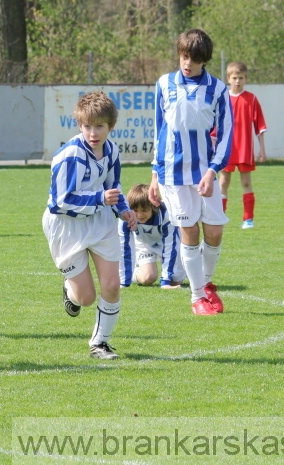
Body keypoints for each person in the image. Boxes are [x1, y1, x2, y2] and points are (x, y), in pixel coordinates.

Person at [42, 91, 136, 360]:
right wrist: (99, 198)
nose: (93, 132)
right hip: (66, 226)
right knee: (85, 298)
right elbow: (58, 203)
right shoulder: (71, 156)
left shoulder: (112, 150)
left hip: (100, 220)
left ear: (110, 126)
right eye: (87, 126)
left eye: (99, 126)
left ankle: (100, 344)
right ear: (79, 125)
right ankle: (71, 291)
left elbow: (113, 186)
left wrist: (125, 210)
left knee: (112, 284)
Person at [149, 28, 232, 316]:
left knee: (215, 230)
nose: (187, 63)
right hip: (172, 173)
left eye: (194, 59)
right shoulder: (164, 84)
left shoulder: (218, 89)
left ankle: (206, 283)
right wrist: (154, 175)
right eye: (184, 57)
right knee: (189, 231)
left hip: (204, 174)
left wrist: (212, 171)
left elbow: (226, 136)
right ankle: (197, 297)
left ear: (204, 60)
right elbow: (159, 130)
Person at [218, 61, 266, 229]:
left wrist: (262, 149)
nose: (237, 81)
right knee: (223, 182)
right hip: (226, 149)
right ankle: (220, 217)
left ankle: (248, 219)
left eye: (241, 78)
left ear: (246, 79)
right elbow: (215, 125)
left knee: (246, 182)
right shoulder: (223, 98)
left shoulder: (251, 99)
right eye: (234, 78)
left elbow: (259, 126)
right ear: (228, 79)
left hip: (245, 149)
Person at [119, 184, 185, 288]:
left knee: (175, 280)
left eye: (144, 210)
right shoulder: (125, 216)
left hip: (168, 244)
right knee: (148, 278)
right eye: (135, 210)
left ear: (153, 206)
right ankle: (131, 272)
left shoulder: (167, 216)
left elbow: (170, 246)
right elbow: (124, 245)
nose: (140, 215)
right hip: (143, 244)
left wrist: (166, 282)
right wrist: (123, 280)